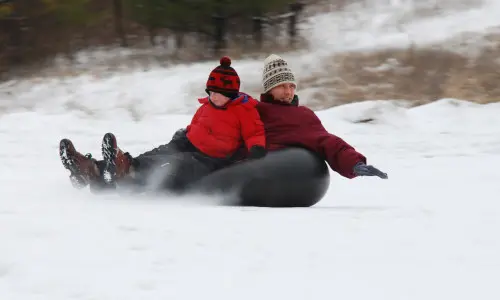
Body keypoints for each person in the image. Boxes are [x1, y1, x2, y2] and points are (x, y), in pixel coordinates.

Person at [59, 56, 267, 192]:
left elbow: (254, 132)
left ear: (232, 94)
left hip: (209, 159)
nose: (214, 97)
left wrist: (256, 150)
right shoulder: (206, 106)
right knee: (154, 155)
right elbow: (196, 126)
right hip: (188, 143)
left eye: (219, 94)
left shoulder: (244, 110)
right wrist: (182, 137)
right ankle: (92, 170)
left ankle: (126, 170)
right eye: (211, 93)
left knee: (173, 163)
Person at [254, 54, 387, 179]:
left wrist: (354, 164)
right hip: (258, 176)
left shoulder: (302, 115)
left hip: (297, 181)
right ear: (269, 88)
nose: (288, 92)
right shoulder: (254, 112)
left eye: (292, 86)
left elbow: (326, 141)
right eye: (282, 86)